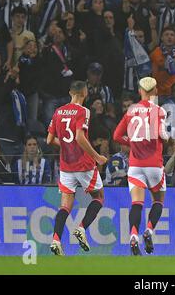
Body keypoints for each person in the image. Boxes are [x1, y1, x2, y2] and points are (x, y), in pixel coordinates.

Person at [46, 80, 108, 256]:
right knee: (99, 197)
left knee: (65, 205)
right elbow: (80, 137)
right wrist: (97, 156)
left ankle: (56, 240)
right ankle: (81, 228)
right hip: (83, 164)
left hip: (66, 166)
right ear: (85, 93)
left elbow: (49, 140)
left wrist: (66, 146)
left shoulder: (58, 112)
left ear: (70, 92)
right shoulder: (83, 111)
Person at [113, 77, 169, 256]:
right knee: (158, 201)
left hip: (135, 165)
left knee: (137, 203)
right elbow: (163, 135)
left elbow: (116, 136)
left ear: (140, 91)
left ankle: (133, 236)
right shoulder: (159, 111)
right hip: (154, 164)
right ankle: (149, 230)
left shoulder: (130, 110)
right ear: (155, 91)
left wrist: (132, 143)